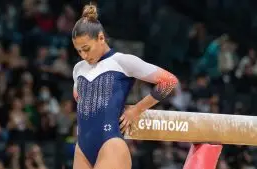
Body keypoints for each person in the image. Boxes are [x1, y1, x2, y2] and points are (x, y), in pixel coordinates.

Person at [72, 4, 179, 169]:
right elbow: (81, 100)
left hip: (110, 144)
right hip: (82, 148)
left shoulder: (122, 61)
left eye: (86, 49)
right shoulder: (78, 69)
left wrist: (137, 109)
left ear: (101, 38)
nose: (84, 55)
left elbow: (169, 81)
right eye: (79, 51)